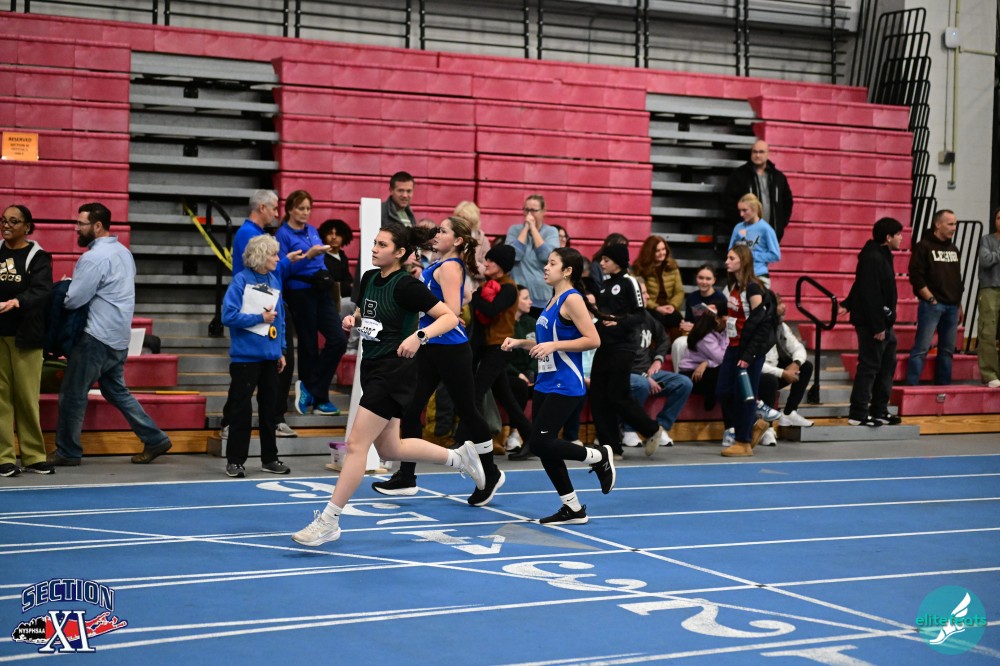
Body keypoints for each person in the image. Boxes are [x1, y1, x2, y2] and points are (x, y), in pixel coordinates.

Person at [291, 223, 485, 546]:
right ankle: (459, 458)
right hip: (372, 367)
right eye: (375, 243)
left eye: (382, 245)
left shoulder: (407, 286)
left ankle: (329, 520)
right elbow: (369, 314)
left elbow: (450, 316)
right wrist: (354, 320)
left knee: (356, 445)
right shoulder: (369, 277)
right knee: (390, 448)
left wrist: (420, 336)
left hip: (395, 372)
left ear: (400, 252)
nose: (374, 248)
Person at [373, 217, 504, 506]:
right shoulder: (439, 264)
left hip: (450, 350)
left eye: (443, 231)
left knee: (467, 410)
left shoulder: (450, 267)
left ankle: (491, 472)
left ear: (457, 240)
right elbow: (465, 295)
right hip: (431, 347)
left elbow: (453, 311)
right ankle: (406, 476)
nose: (437, 234)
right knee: (411, 407)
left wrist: (425, 328)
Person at [48, 203, 173, 466]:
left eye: (80, 224)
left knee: (72, 395)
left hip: (95, 337)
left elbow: (73, 300)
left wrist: (64, 287)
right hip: (118, 337)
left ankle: (68, 452)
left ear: (97, 226)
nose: (76, 228)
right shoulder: (124, 253)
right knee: (116, 391)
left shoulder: (93, 258)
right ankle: (155, 438)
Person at [501, 247, 614, 525]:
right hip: (545, 381)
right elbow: (546, 342)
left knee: (540, 442)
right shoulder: (552, 300)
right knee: (544, 447)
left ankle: (598, 455)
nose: (546, 267)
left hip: (566, 383)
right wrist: (521, 342)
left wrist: (554, 345)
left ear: (567, 271)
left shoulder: (572, 299)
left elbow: (593, 339)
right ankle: (572, 508)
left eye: (552, 263)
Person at [224, 190, 315, 440]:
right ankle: (240, 423)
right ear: (262, 207)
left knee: (269, 374)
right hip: (257, 311)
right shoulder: (248, 234)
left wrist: (286, 262)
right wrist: (286, 262)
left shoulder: (254, 235)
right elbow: (257, 272)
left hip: (267, 306)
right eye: (274, 208)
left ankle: (271, 422)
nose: (277, 213)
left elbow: (268, 272)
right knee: (247, 381)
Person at [221, 235, 292, 478]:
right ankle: (235, 461)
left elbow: (280, 320)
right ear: (261, 256)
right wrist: (259, 318)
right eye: (273, 254)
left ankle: (269, 458)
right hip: (245, 359)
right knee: (241, 411)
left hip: (270, 357)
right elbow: (228, 316)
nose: (278, 259)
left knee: (270, 411)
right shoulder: (241, 281)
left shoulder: (274, 279)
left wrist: (281, 350)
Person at [590, 242, 670, 457]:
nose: (601, 263)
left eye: (606, 259)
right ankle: (610, 448)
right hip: (604, 345)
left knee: (618, 395)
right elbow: (603, 316)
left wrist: (618, 321)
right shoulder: (605, 284)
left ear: (617, 262)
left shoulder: (629, 281)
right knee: (598, 397)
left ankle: (651, 429)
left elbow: (640, 314)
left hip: (623, 346)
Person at [275, 190, 346, 417]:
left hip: (320, 289)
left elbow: (320, 261)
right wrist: (308, 256)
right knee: (308, 345)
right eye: (301, 208)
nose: (305, 212)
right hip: (299, 292)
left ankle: (310, 387)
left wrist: (323, 273)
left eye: (308, 208)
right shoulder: (282, 235)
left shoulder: (312, 230)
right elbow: (281, 270)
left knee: (338, 339)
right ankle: (320, 399)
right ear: (290, 209)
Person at [465, 244, 533, 461]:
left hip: (500, 348)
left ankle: (469, 442)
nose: (486, 264)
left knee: (477, 393)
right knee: (507, 398)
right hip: (490, 348)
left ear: (501, 265)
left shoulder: (509, 288)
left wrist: (474, 297)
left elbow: (492, 310)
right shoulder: (491, 285)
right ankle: (531, 439)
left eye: (490, 261)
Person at [0, 204, 54, 476]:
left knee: (27, 398)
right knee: (1, 398)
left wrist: (17, 301)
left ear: (27, 227)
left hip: (26, 337)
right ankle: (4, 457)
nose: (6, 225)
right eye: (3, 220)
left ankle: (33, 456)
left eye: (13, 221)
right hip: (0, 335)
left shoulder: (38, 257)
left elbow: (42, 290)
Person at [841, 217, 904, 426]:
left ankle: (879, 409)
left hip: (884, 322)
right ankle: (858, 413)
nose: (901, 238)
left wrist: (847, 303)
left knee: (886, 366)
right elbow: (870, 292)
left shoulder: (882, 255)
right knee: (869, 366)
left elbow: (860, 284)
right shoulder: (872, 257)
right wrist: (878, 325)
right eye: (898, 234)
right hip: (873, 323)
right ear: (888, 237)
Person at [716, 244, 776, 457]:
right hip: (732, 347)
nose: (727, 262)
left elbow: (762, 322)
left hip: (748, 350)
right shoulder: (734, 285)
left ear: (743, 261)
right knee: (723, 390)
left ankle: (743, 442)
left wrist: (749, 355)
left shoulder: (753, 288)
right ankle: (754, 423)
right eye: (727, 257)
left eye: (731, 258)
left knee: (744, 395)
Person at [622, 294, 693, 449]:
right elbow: (620, 358)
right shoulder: (622, 318)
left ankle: (660, 428)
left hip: (648, 372)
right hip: (626, 374)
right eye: (642, 292)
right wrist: (645, 376)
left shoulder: (647, 316)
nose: (647, 296)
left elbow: (664, 338)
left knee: (684, 383)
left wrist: (658, 359)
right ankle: (628, 429)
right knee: (641, 384)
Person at [906, 209, 963, 385]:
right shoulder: (923, 246)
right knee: (921, 348)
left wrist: (959, 304)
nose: (954, 228)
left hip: (951, 305)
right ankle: (911, 388)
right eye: (950, 224)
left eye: (955, 224)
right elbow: (915, 275)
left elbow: (956, 279)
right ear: (938, 224)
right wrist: (930, 298)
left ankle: (942, 389)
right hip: (932, 305)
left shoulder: (954, 249)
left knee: (947, 351)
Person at [756, 292, 814, 445]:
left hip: (775, 370)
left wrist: (796, 363)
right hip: (755, 374)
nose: (784, 307)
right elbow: (755, 364)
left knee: (806, 366)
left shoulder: (781, 326)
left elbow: (798, 347)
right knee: (770, 380)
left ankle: (789, 412)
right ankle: (767, 428)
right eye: (780, 303)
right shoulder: (757, 327)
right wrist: (782, 372)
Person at [723, 139, 794, 241]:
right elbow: (728, 202)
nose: (757, 155)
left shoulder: (778, 177)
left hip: (771, 235)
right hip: (747, 236)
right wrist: (741, 224)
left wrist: (780, 224)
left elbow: (787, 202)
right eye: (754, 152)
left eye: (761, 152)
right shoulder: (739, 175)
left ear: (768, 154)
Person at [505, 195, 559, 316]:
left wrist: (533, 229)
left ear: (543, 211)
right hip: (517, 298)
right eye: (526, 210)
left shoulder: (551, 232)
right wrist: (525, 229)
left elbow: (546, 256)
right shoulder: (514, 230)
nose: (529, 214)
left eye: (534, 210)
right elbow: (513, 256)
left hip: (542, 297)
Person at [504, 284, 537, 453]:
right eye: (525, 298)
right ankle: (514, 433)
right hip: (508, 373)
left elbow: (539, 350)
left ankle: (544, 435)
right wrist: (518, 374)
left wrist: (531, 372)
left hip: (531, 373)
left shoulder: (532, 323)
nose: (530, 302)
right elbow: (499, 356)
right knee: (519, 386)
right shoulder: (504, 323)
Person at [631, 235, 684, 331]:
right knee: (658, 319)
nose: (662, 253)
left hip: (669, 306)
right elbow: (639, 294)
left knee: (676, 318)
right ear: (650, 252)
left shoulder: (672, 267)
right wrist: (656, 307)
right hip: (650, 307)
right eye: (657, 250)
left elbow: (679, 292)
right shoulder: (640, 268)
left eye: (663, 249)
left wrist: (672, 305)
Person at [729, 193, 781, 288]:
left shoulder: (765, 229)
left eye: (745, 210)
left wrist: (751, 256)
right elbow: (730, 250)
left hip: (758, 275)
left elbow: (775, 255)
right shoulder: (738, 227)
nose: (741, 214)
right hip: (739, 276)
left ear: (755, 209)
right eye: (740, 210)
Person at [977, 206, 1000, 388]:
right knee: (988, 332)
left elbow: (992, 258)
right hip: (990, 289)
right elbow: (985, 260)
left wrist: (995, 255)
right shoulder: (987, 239)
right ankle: (989, 373)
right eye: (999, 218)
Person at [317, 218, 354, 312]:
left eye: (337, 234)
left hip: (344, 299)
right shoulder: (321, 257)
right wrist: (349, 286)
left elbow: (348, 279)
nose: (333, 237)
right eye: (330, 233)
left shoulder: (342, 256)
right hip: (330, 304)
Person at [680, 264, 729, 332]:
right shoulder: (691, 297)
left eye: (708, 279)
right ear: (696, 278)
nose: (704, 282)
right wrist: (685, 325)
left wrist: (695, 328)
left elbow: (723, 325)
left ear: (714, 280)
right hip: (694, 334)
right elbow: (689, 320)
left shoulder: (721, 298)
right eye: (700, 278)